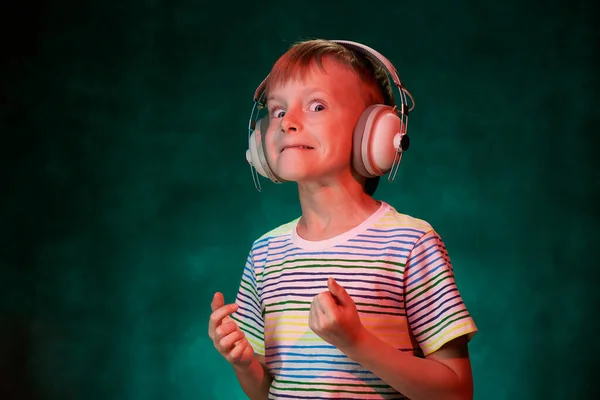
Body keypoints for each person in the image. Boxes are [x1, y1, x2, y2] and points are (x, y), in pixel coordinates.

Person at [208, 39, 478, 400]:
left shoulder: (410, 243)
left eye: (316, 105)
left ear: (376, 132)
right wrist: (244, 365)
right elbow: (268, 393)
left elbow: (456, 392)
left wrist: (356, 341)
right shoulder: (265, 254)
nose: (288, 122)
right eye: (276, 111)